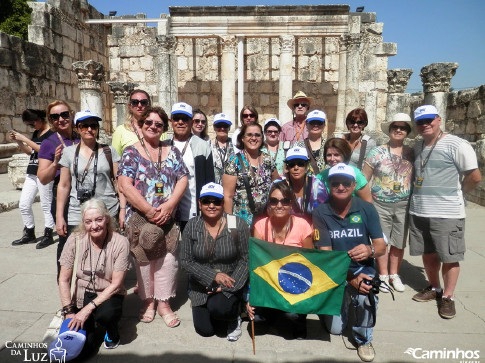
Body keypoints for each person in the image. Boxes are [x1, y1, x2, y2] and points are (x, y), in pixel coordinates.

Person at [409, 105, 481, 319]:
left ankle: (448, 297)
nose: (425, 124)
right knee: (428, 254)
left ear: (439, 119)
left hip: (447, 212)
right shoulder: (418, 145)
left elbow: (474, 176)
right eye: (420, 122)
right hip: (420, 211)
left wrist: (460, 194)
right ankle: (434, 288)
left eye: (429, 120)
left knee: (449, 256)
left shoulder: (457, 144)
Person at [118, 106, 188, 327]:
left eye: (158, 124)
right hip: (140, 216)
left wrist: (169, 205)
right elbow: (124, 185)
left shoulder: (172, 151)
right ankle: (149, 301)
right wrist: (148, 210)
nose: (152, 127)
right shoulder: (131, 152)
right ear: (141, 124)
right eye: (148, 122)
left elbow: (183, 178)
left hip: (167, 216)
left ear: (164, 128)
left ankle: (164, 302)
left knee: (168, 260)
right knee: (144, 260)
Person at [313, 163, 386, 362]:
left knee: (367, 294)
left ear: (354, 185)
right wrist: (350, 279)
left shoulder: (367, 208)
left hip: (363, 269)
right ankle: (342, 298)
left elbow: (381, 247)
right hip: (336, 272)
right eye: (336, 183)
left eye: (346, 183)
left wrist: (369, 250)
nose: (341, 187)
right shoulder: (320, 212)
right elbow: (326, 258)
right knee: (335, 330)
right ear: (329, 185)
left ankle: (364, 339)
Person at [58, 199, 130, 353]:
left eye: (99, 219)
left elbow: (116, 284)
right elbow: (63, 279)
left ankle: (112, 331)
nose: (94, 226)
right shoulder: (75, 239)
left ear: (107, 219)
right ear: (83, 223)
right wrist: (69, 311)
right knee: (83, 348)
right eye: (88, 222)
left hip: (108, 294)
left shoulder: (120, 242)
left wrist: (87, 310)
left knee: (106, 315)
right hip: (81, 295)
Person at [56, 110, 123, 275]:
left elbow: (120, 183)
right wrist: (59, 216)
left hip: (108, 209)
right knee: (72, 253)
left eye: (93, 125)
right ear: (77, 128)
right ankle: (71, 291)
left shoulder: (109, 151)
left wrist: (123, 209)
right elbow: (63, 185)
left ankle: (107, 291)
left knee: (108, 252)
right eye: (84, 126)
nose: (89, 129)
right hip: (77, 211)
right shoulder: (69, 153)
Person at [180, 183, 249, 341]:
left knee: (221, 311)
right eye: (206, 201)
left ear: (223, 203)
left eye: (216, 202)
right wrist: (212, 276)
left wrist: (226, 285)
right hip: (201, 286)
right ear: (199, 203)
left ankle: (235, 314)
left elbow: (245, 260)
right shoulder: (192, 226)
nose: (211, 205)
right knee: (205, 330)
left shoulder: (237, 224)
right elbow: (185, 261)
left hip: (230, 282)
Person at [247, 181, 313, 339]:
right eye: (274, 201)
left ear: (291, 204)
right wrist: (251, 296)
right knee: (257, 322)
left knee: (292, 320)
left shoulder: (302, 225)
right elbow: (256, 265)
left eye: (285, 201)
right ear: (269, 204)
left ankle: (289, 316)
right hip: (269, 285)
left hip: (294, 285)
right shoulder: (260, 226)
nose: (279, 205)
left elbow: (311, 263)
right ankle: (274, 313)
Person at [362, 113, 415, 292]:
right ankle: (383, 275)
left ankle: (394, 274)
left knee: (399, 241)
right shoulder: (376, 152)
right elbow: (364, 180)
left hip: (403, 203)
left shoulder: (411, 153)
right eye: (395, 127)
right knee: (382, 241)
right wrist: (368, 204)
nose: (399, 130)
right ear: (390, 130)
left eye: (403, 128)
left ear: (407, 132)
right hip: (380, 203)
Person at [37, 101, 80, 265]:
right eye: (55, 117)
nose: (60, 119)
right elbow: (42, 177)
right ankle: (64, 282)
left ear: (71, 114)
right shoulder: (49, 142)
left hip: (84, 194)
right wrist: (55, 163)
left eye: (64, 114)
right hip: (64, 197)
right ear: (51, 120)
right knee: (67, 243)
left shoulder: (80, 136)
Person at [11, 109, 55, 248]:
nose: (32, 127)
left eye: (32, 124)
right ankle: (29, 232)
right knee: (24, 203)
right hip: (32, 171)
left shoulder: (51, 134)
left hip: (44, 171)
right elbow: (31, 152)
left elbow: (43, 150)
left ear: (40, 119)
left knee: (46, 204)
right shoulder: (37, 133)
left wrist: (25, 139)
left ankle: (48, 233)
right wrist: (19, 142)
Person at [169, 102, 215, 231]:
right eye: (177, 118)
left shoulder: (202, 146)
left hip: (193, 213)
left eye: (185, 119)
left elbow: (209, 180)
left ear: (191, 121)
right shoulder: (164, 145)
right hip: (168, 213)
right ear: (171, 121)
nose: (180, 122)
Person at [223, 123, 278, 226]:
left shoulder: (268, 159)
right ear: (242, 138)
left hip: (264, 219)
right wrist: (230, 224)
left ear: (262, 138)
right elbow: (228, 196)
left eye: (257, 135)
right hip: (240, 221)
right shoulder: (234, 161)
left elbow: (277, 184)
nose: (253, 138)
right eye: (249, 135)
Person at [276, 147, 328, 221]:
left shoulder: (317, 185)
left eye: (300, 164)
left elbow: (325, 213)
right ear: (287, 166)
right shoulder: (278, 185)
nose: (296, 167)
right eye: (292, 164)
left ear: (306, 165)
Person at [316, 138, 372, 203]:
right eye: (329, 155)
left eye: (336, 155)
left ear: (345, 155)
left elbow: (368, 203)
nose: (332, 159)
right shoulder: (321, 177)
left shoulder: (356, 175)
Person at [111, 89, 154, 157]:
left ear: (149, 105)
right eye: (135, 102)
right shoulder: (121, 131)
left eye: (143, 102)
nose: (139, 105)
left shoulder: (158, 129)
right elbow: (115, 160)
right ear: (129, 106)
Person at [294, 110, 327, 175]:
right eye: (312, 122)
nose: (315, 125)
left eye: (319, 123)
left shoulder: (329, 145)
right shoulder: (298, 145)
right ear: (306, 124)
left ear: (324, 125)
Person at [210, 113, 235, 184]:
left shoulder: (236, 145)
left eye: (225, 126)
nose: (222, 128)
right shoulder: (208, 145)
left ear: (229, 128)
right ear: (214, 127)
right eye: (219, 126)